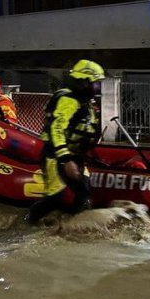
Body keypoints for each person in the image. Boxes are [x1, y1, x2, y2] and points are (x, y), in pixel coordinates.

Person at [25, 60, 105, 224]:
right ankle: (30, 222)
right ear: (84, 82)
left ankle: (74, 225)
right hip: (56, 156)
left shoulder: (84, 102)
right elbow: (57, 130)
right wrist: (66, 160)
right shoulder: (68, 101)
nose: (98, 87)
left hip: (74, 156)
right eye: (96, 83)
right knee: (56, 197)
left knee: (84, 191)